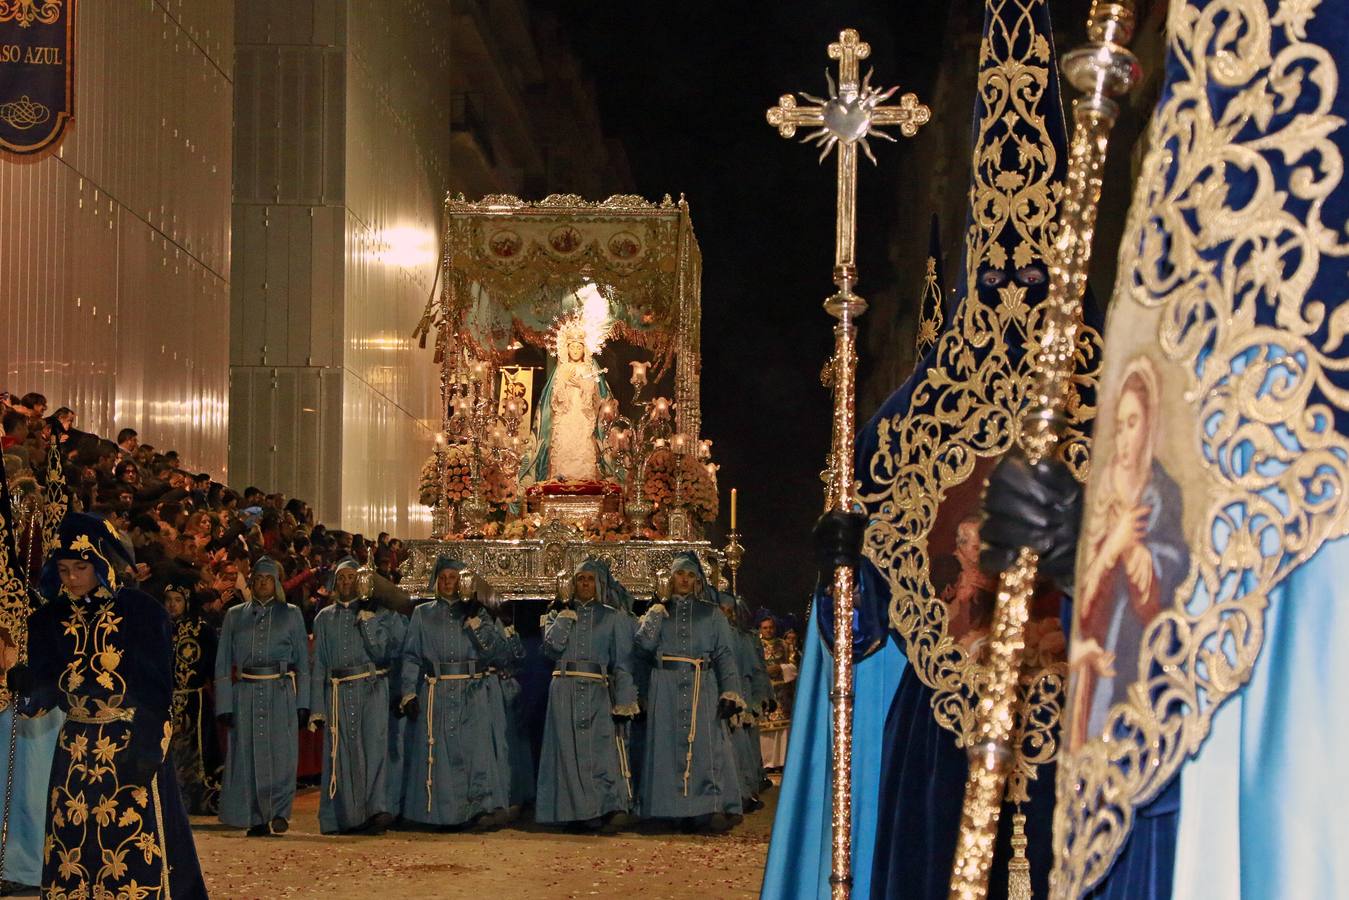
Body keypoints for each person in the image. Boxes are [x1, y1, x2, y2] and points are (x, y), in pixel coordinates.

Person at [8, 513, 207, 898]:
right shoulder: (48, 619)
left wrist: (149, 748)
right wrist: (25, 685)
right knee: (74, 842)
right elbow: (43, 699)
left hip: (128, 742)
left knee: (130, 844)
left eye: (80, 567)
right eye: (63, 569)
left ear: (100, 562)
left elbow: (156, 692)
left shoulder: (141, 611)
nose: (71, 578)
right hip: (75, 749)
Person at [398, 557, 512, 830]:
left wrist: (474, 620)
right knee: (439, 753)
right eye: (443, 577)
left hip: (471, 691)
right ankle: (440, 813)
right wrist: (408, 693)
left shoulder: (477, 614)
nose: (448, 582)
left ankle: (478, 808)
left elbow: (496, 652)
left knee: (475, 750)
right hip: (437, 691)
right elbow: (412, 656)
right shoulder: (422, 614)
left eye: (453, 577)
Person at [633, 551, 745, 831]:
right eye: (679, 574)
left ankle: (708, 806)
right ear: (670, 578)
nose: (684, 579)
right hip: (665, 685)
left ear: (698, 581)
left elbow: (725, 655)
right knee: (667, 745)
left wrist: (730, 691)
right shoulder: (657, 612)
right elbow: (643, 646)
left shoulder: (712, 614)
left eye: (690, 575)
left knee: (706, 747)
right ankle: (666, 808)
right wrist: (658, 608)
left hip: (701, 683)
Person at [535, 559, 640, 830]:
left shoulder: (613, 616)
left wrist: (625, 702)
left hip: (597, 690)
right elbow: (551, 650)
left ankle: (604, 807)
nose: (584, 584)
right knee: (566, 750)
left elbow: (623, 664)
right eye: (580, 579)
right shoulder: (555, 615)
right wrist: (565, 616)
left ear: (598, 584)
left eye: (589, 579)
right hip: (564, 689)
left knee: (600, 750)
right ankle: (570, 812)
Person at [216, 555, 310, 836]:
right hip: (244, 692)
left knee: (281, 753)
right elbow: (222, 662)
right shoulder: (235, 616)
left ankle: (279, 812)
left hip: (279, 691)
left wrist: (304, 702)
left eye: (268, 579)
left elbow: (304, 663)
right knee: (247, 754)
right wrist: (224, 703)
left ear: (276, 583)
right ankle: (256, 816)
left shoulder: (291, 614)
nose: (262, 584)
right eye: (257, 579)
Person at [309, 558, 402, 835]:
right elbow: (320, 665)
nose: (347, 583)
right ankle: (345, 816)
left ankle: (376, 810)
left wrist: (369, 622)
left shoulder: (380, 614)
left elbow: (384, 652)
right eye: (342, 578)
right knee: (342, 753)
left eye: (352, 577)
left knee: (374, 748)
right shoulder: (324, 618)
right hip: (338, 691)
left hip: (371, 687)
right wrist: (316, 707)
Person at [165, 576, 224, 815]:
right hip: (167, 701)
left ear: (187, 601)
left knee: (199, 749)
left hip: (195, 701)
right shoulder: (160, 628)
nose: (172, 605)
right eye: (168, 600)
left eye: (177, 600)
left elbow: (214, 667)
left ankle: (203, 799)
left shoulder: (202, 630)